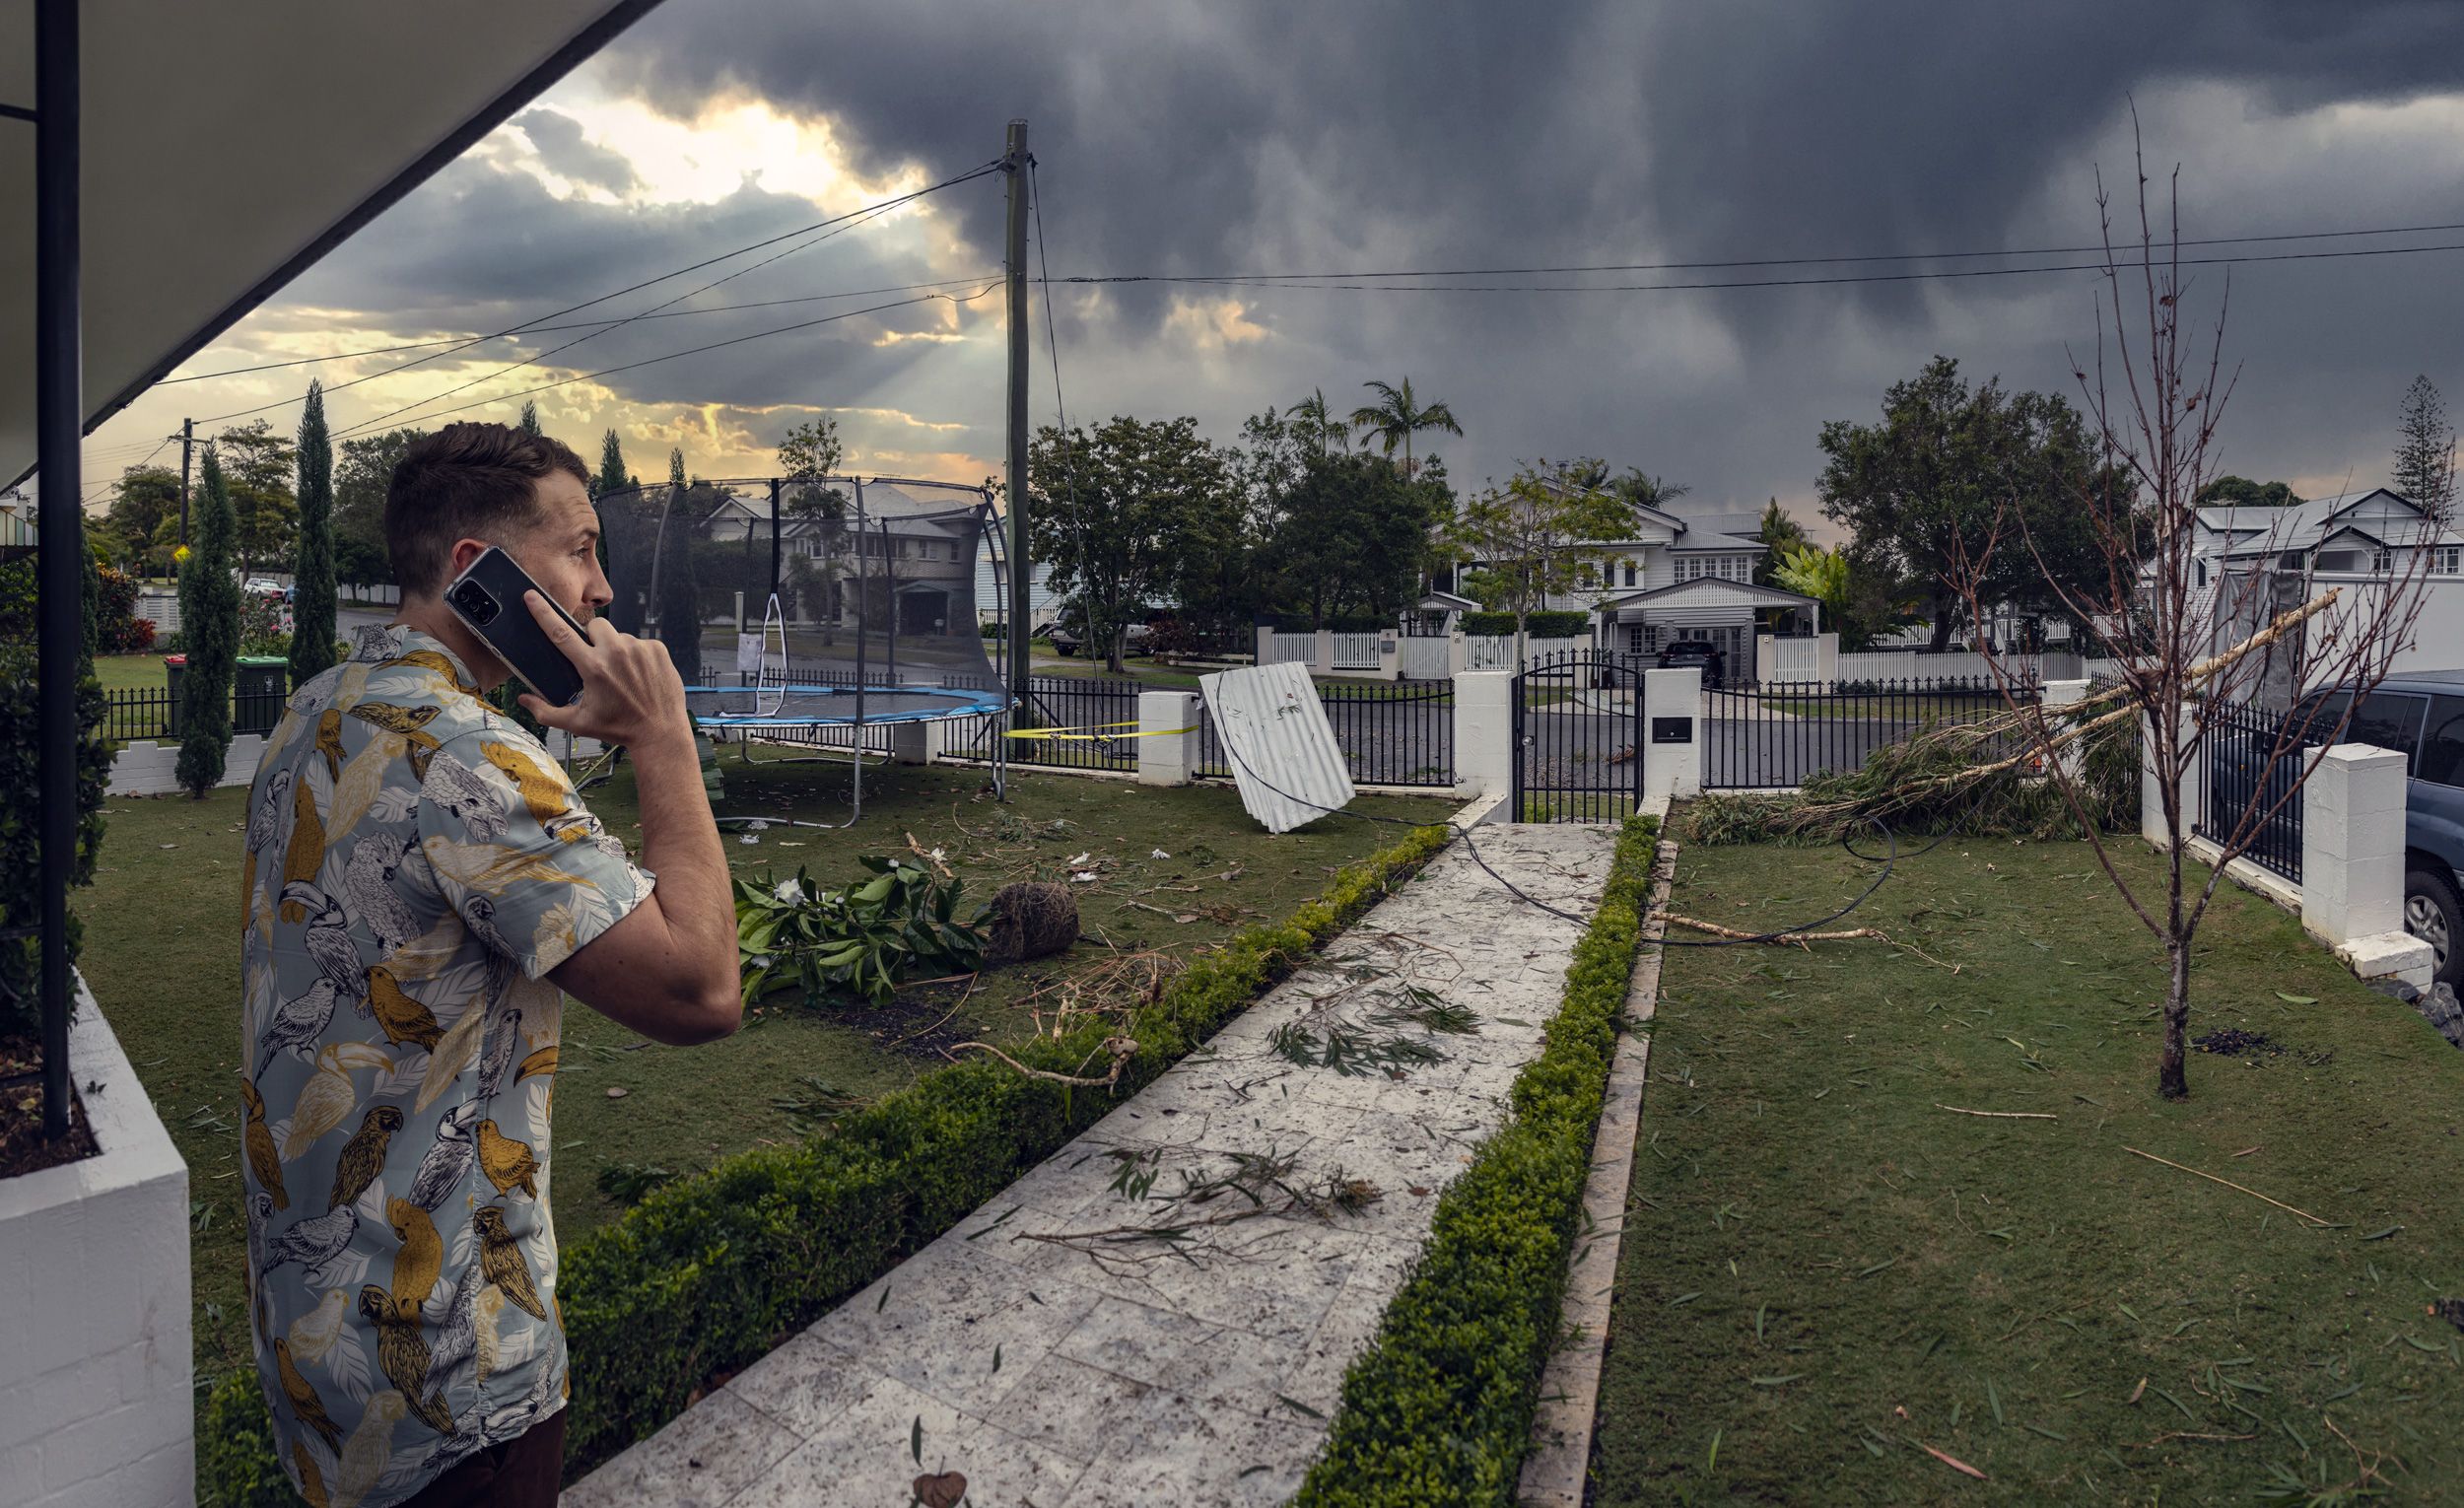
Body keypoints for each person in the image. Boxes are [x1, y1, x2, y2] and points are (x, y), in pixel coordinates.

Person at [239, 422, 737, 1507]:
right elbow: (701, 989)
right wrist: (665, 741)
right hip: (450, 1381)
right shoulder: (465, 753)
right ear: (479, 573)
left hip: (313, 1346)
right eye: (580, 550)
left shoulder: (319, 707)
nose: (601, 590)